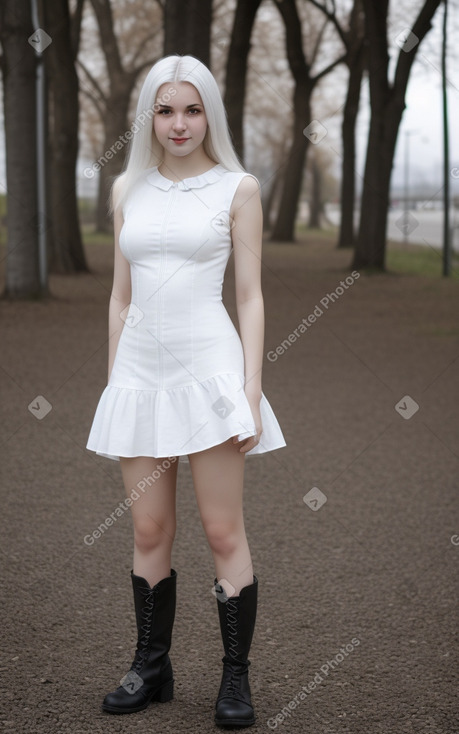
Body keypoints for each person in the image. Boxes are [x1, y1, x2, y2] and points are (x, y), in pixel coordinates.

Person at [86, 54, 286, 728]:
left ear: (210, 114)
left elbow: (252, 296)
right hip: (140, 375)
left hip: (212, 374)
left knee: (223, 529)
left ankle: (234, 679)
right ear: (150, 116)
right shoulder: (127, 191)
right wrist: (117, 381)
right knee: (148, 527)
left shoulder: (239, 188)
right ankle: (150, 665)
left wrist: (250, 387)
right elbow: (119, 297)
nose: (179, 123)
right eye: (166, 110)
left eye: (192, 109)